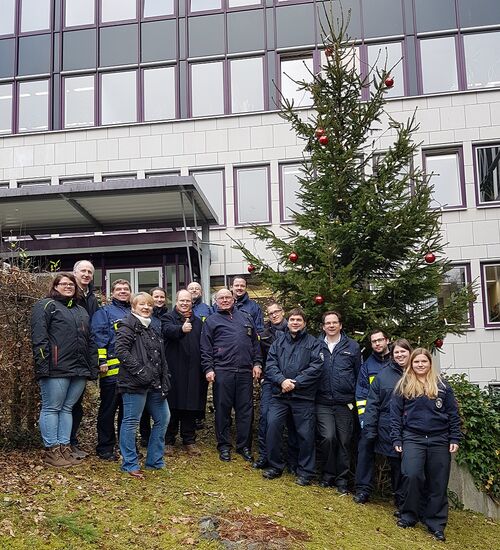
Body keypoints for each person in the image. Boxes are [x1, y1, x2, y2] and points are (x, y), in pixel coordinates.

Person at [391, 348, 461, 542]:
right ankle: (409, 516)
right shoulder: (403, 386)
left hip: (439, 439)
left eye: (424, 361)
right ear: (411, 364)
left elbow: (453, 414)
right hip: (413, 438)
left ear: (430, 363)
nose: (420, 365)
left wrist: (454, 438)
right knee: (412, 475)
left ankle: (435, 524)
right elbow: (395, 416)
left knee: (438, 482)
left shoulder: (442, 386)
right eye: (416, 362)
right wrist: (397, 439)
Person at [31, 273, 97, 467]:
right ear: (55, 286)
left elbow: (90, 341)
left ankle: (64, 448)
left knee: (67, 408)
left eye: (71, 284)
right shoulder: (45, 306)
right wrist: (43, 366)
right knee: (52, 408)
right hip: (55, 368)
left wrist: (91, 367)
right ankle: (52, 451)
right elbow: (39, 338)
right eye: (64, 284)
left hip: (79, 369)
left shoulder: (81, 310)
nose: (68, 286)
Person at [263, 308, 323, 486]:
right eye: (292, 320)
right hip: (279, 395)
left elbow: (316, 367)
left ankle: (305, 471)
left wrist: (296, 383)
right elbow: (271, 364)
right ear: (287, 322)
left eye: (298, 320)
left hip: (302, 397)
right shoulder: (279, 341)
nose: (295, 322)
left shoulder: (314, 343)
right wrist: (282, 381)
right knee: (272, 427)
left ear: (304, 323)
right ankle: (275, 466)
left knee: (305, 435)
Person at [200, 288, 262, 462]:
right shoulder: (211, 321)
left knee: (245, 411)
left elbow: (255, 343)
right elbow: (205, 348)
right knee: (222, 410)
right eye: (221, 298)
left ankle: (244, 447)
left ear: (234, 299)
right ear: (216, 301)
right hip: (222, 371)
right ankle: (224, 446)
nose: (225, 300)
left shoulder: (246, 318)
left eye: (228, 297)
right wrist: (208, 368)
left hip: (244, 371)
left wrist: (257, 363)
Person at [114, 292, 170, 478]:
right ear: (133, 307)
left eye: (149, 305)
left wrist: (163, 378)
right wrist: (140, 372)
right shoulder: (127, 325)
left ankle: (154, 461)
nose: (146, 308)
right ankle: (129, 464)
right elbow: (121, 351)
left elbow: (158, 357)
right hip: (134, 384)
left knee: (163, 418)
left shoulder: (151, 327)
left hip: (154, 383)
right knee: (131, 422)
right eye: (142, 305)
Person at [354, 338, 413, 505]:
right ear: (392, 355)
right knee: (366, 451)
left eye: (403, 351)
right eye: (397, 352)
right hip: (382, 424)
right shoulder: (382, 375)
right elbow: (371, 403)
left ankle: (402, 501)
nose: (400, 355)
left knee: (399, 465)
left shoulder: (418, 372)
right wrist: (368, 427)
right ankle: (363, 491)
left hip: (408, 428)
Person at [316, 311, 361, 493]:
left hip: (345, 403)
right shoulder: (316, 345)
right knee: (327, 438)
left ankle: (342, 480)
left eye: (335, 322)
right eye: (328, 323)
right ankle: (327, 474)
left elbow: (359, 375)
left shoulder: (353, 346)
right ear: (323, 326)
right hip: (322, 401)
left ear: (341, 325)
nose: (332, 325)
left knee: (344, 441)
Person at [91, 279, 131, 460]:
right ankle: (105, 448)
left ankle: (126, 446)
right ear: (112, 292)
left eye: (126, 289)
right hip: (111, 372)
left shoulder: (134, 311)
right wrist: (101, 361)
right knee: (108, 410)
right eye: (119, 289)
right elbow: (99, 337)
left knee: (127, 412)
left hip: (132, 373)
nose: (123, 291)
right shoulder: (104, 312)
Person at [163, 290, 206, 456]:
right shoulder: (167, 318)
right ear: (176, 301)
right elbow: (168, 331)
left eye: (187, 301)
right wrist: (181, 329)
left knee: (190, 405)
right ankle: (169, 441)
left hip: (193, 369)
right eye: (181, 300)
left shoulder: (199, 322)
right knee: (172, 405)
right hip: (173, 369)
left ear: (192, 302)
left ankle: (189, 440)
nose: (184, 303)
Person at [354, 329, 391, 498]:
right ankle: (363, 490)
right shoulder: (367, 366)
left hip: (393, 419)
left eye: (380, 340)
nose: (377, 344)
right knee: (365, 452)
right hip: (371, 418)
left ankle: (400, 496)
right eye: (374, 341)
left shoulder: (398, 362)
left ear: (387, 341)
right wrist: (363, 418)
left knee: (397, 459)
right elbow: (361, 394)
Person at [253, 301, 289, 469]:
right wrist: (258, 366)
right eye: (270, 313)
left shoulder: (294, 329)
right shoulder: (265, 334)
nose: (274, 315)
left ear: (283, 312)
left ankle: (291, 459)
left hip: (292, 382)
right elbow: (258, 354)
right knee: (265, 418)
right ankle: (264, 455)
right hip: (270, 380)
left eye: (277, 311)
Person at [70, 259, 99, 458]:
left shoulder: (92, 297)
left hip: (84, 355)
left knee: (76, 404)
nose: (86, 274)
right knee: (65, 404)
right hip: (68, 354)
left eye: (90, 271)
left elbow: (94, 328)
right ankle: (61, 444)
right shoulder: (68, 293)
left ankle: (71, 441)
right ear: (74, 272)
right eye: (83, 271)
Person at [139, 286, 168, 447]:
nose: (159, 299)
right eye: (155, 296)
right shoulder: (143, 318)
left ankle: (158, 438)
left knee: (158, 403)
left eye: (162, 297)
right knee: (144, 405)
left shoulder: (167, 316)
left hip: (161, 365)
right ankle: (145, 435)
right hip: (145, 366)